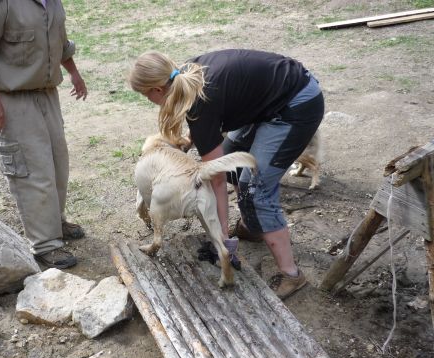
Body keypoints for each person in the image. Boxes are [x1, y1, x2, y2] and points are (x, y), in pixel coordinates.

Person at [128, 49, 324, 299]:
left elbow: (216, 178)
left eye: (146, 95)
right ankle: (254, 227)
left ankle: (292, 275)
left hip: (296, 105)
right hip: (271, 100)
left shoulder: (200, 103)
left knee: (255, 191)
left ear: (157, 89)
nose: (148, 100)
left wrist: (221, 242)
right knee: (234, 160)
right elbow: (219, 153)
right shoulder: (187, 76)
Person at [0, 0, 87, 269]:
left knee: (57, 164)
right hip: (13, 97)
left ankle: (56, 222)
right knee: (32, 172)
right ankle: (45, 244)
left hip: (47, 93)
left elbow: (59, 39)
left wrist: (74, 72)